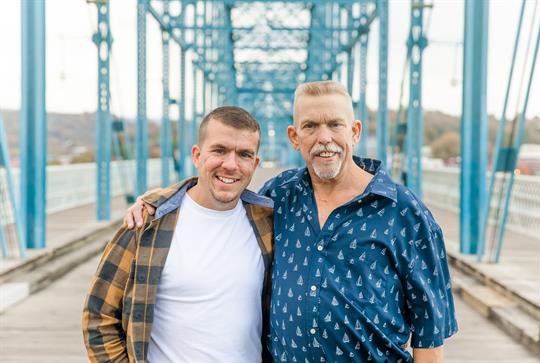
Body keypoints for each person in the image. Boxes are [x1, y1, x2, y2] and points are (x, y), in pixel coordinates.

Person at [126, 81, 458, 362]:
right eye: (310, 126)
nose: (323, 137)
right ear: (294, 137)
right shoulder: (278, 196)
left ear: (355, 132)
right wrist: (159, 200)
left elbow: (430, 333)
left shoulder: (405, 213)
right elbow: (222, 189)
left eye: (335, 125)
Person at [82, 106, 275, 363]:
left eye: (244, 154)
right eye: (219, 150)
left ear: (255, 163)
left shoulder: (269, 224)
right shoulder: (148, 223)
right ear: (197, 155)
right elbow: (98, 316)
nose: (231, 164)